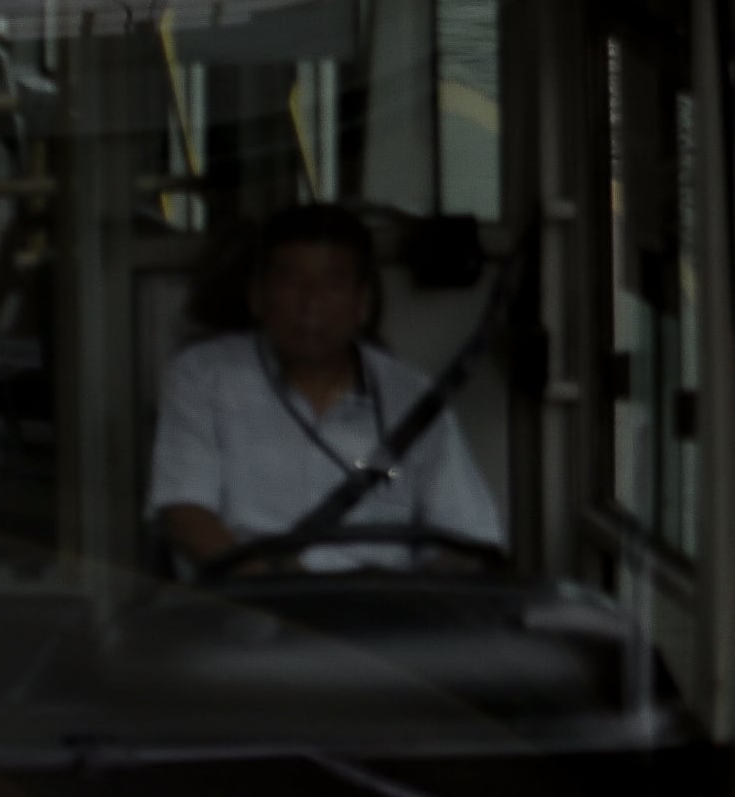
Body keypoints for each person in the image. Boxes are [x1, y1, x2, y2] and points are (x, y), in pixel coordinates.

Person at [150, 201, 506, 571]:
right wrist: (268, 587)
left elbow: (469, 538)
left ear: (362, 303)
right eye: (291, 282)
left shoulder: (410, 395)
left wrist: (404, 596)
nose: (311, 304)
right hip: (246, 597)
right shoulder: (204, 376)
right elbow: (184, 511)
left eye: (333, 285)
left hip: (379, 600)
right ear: (257, 296)